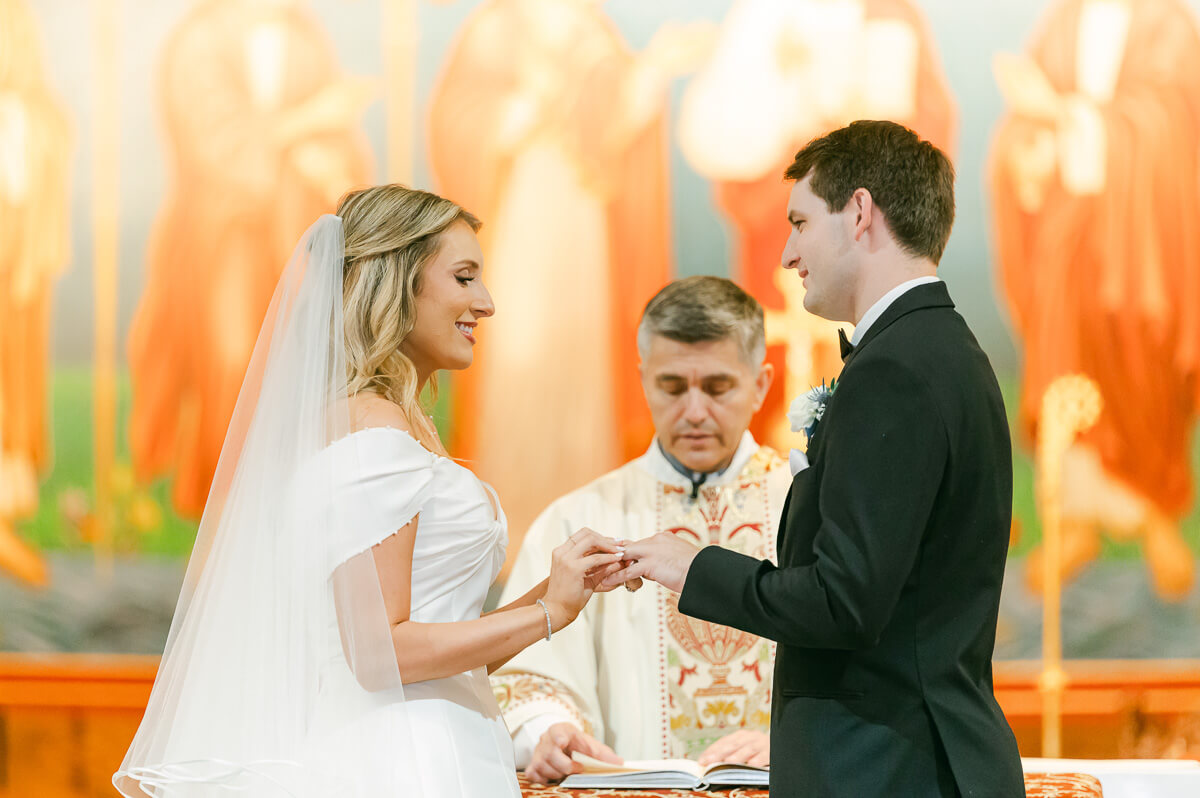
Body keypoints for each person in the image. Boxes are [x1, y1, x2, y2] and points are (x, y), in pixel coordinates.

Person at [113, 185, 625, 797]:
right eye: (464, 278)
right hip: (406, 761)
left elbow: (428, 647)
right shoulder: (376, 432)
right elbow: (381, 656)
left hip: (434, 737)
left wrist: (559, 591)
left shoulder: (376, 425)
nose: (485, 303)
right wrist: (548, 614)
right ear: (397, 282)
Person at [607, 121, 1023, 797]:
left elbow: (843, 602)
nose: (788, 252)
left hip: (885, 767)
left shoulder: (896, 369)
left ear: (860, 213)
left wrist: (693, 567)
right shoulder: (943, 348)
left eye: (800, 222)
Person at [492, 277, 791, 784]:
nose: (695, 411)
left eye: (718, 387)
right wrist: (552, 729)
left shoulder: (803, 504)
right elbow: (529, 675)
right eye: (672, 387)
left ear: (760, 384)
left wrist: (794, 737)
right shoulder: (580, 519)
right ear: (643, 379)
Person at [127, 0, 375, 517]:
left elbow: (337, 139)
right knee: (235, 356)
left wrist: (332, 162)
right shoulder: (199, 42)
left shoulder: (305, 40)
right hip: (221, 230)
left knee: (309, 359)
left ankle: (296, 507)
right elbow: (218, 145)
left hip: (298, 231)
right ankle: (231, 512)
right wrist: (303, 128)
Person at [989, 0, 1200, 600]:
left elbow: (1174, 123)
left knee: (1144, 365)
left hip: (1144, 241)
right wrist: (1029, 149)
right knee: (1065, 363)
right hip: (1068, 236)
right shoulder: (1060, 23)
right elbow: (1022, 127)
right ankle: (1075, 521)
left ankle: (1158, 514)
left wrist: (1078, 121)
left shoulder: (1168, 24)